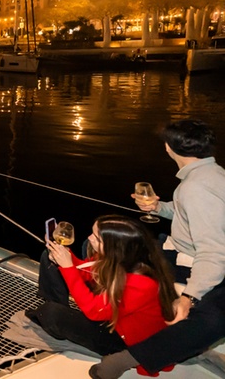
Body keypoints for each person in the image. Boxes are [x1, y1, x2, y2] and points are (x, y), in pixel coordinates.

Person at [90, 120, 225, 378]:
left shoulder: (195, 188)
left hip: (193, 261)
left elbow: (213, 252)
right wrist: (158, 207)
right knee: (103, 246)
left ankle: (125, 355)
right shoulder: (211, 174)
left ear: (168, 148)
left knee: (209, 319)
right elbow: (188, 214)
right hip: (183, 249)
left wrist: (189, 298)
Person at [27, 215, 178, 376]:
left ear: (115, 246)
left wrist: (68, 267)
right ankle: (59, 311)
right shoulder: (121, 258)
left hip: (125, 338)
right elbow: (87, 272)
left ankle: (57, 314)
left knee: (51, 313)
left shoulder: (141, 283)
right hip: (114, 318)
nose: (89, 238)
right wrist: (65, 256)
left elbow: (95, 311)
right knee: (49, 258)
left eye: (96, 238)